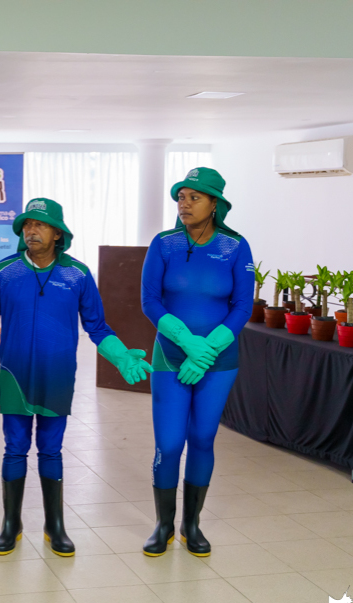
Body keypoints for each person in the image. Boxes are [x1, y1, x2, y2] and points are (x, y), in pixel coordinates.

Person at [0, 198, 151, 557]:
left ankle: (54, 526)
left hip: (57, 375)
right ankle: (11, 524)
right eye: (27, 224)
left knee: (51, 448)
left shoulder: (77, 274)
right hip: (14, 374)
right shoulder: (4, 272)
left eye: (40, 225)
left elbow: (97, 327)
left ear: (58, 233)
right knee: (14, 447)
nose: (31, 230)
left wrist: (120, 356)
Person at [140, 167, 254, 558]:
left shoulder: (236, 246)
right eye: (181, 197)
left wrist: (206, 351)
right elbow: (150, 301)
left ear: (215, 204)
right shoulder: (164, 243)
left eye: (194, 197)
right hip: (170, 357)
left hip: (219, 360)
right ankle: (164, 524)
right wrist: (187, 342)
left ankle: (192, 525)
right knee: (169, 445)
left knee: (202, 439)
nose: (184, 204)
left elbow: (242, 306)